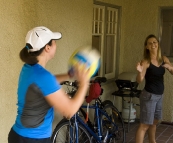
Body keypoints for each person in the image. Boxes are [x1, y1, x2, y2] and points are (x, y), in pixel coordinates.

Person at [8, 26, 90, 143]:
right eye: (54, 42)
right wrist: (84, 83)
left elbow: (46, 82)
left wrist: (69, 74)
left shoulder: (29, 68)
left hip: (18, 135)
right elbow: (70, 111)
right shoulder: (43, 76)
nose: (56, 45)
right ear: (47, 48)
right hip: (33, 139)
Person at [135, 34, 173, 143]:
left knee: (154, 122)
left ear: (158, 44)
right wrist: (139, 71)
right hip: (149, 96)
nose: (153, 44)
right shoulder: (146, 61)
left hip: (159, 95)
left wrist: (170, 67)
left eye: (155, 42)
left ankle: (152, 141)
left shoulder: (164, 59)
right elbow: (139, 80)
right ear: (146, 46)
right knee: (144, 125)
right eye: (150, 43)